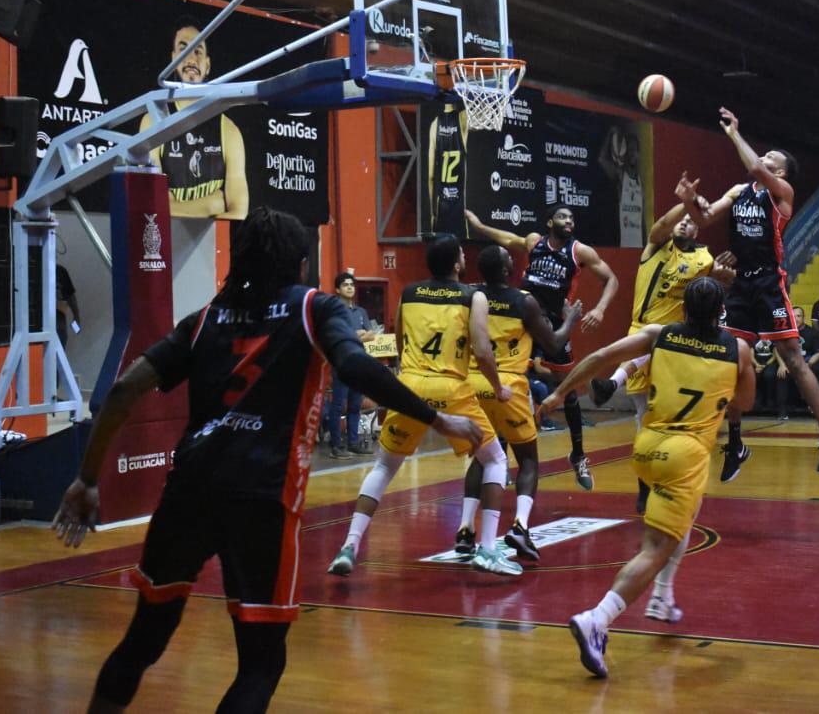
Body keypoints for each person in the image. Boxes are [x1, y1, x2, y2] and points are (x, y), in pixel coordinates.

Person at [50, 208, 483, 712]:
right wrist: (438, 420)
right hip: (262, 496)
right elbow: (356, 365)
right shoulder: (314, 309)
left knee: (144, 640)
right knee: (261, 664)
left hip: (188, 491)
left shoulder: (205, 318)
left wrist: (87, 479)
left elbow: (123, 390)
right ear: (300, 263)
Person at [548, 278, 755, 678]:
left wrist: (560, 396)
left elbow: (602, 357)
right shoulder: (738, 349)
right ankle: (597, 619)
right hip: (686, 455)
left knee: (672, 529)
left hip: (646, 447)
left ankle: (662, 596)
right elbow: (744, 403)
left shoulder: (659, 335)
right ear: (720, 312)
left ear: (683, 310)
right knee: (656, 548)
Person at [327, 234, 523, 578]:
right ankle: (489, 549)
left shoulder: (409, 293)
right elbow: (481, 349)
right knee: (494, 460)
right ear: (458, 264)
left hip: (412, 385)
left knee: (384, 468)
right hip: (453, 388)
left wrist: (411, 378)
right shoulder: (472, 296)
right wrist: (497, 387)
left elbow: (400, 339)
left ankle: (349, 545)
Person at [677, 107, 819, 475]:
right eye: (763, 155)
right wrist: (689, 199)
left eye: (771, 158)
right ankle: (735, 442)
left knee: (794, 359)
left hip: (769, 283)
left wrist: (735, 133)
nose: (763, 158)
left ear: (779, 172)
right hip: (740, 285)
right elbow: (705, 219)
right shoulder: (739, 192)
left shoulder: (782, 193)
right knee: (732, 360)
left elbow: (756, 168)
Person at [466, 203, 619, 490]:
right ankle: (500, 457)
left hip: (552, 323)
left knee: (568, 389)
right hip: (522, 319)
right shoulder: (534, 242)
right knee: (506, 383)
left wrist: (599, 309)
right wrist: (478, 226)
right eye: (562, 216)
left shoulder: (579, 251)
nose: (568, 220)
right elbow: (506, 238)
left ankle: (578, 454)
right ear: (550, 222)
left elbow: (611, 279)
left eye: (572, 217)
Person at [590, 198, 728, 500]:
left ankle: (613, 382)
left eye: (692, 221)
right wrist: (685, 202)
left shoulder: (704, 259)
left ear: (698, 230)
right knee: (643, 414)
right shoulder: (655, 246)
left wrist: (723, 279)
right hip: (640, 329)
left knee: (659, 411)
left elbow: (706, 298)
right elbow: (663, 223)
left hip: (675, 342)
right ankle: (645, 481)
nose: (684, 222)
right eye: (682, 218)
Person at [457, 245, 582, 561]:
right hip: (507, 385)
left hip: (473, 383)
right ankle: (520, 527)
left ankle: (465, 529)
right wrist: (571, 320)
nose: (514, 260)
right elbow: (553, 342)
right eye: (508, 258)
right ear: (505, 269)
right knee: (527, 460)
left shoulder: (472, 296)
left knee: (484, 457)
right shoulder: (523, 301)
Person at [144, 19, 248, 219]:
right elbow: (152, 205)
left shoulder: (229, 131)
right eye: (184, 50)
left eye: (198, 51)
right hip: (164, 244)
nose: (191, 58)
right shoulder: (153, 122)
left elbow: (238, 214)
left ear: (208, 65)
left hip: (211, 247)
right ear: (173, 60)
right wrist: (212, 205)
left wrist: (175, 208)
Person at [323, 272, 375, 457]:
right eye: (345, 285)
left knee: (355, 405)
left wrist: (353, 334)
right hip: (341, 364)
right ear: (337, 289)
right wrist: (357, 334)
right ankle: (336, 446)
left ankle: (353, 443)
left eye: (352, 284)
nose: (350, 287)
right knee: (338, 406)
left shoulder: (361, 312)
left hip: (359, 363)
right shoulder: (333, 311)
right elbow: (335, 335)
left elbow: (372, 335)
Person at [764, 308, 819, 420]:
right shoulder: (785, 332)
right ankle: (783, 411)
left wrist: (808, 364)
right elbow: (777, 349)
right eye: (793, 316)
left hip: (807, 363)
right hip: (789, 363)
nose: (796, 319)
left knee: (818, 370)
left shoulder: (812, 332)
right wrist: (782, 364)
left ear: (803, 317)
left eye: (799, 316)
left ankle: (813, 406)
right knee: (782, 373)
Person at [597, 125, 646, 249]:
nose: (632, 153)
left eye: (634, 150)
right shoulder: (620, 174)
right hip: (622, 241)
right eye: (629, 150)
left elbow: (642, 217)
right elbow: (602, 159)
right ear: (624, 152)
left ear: (639, 153)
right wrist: (610, 133)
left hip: (638, 244)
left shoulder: (641, 182)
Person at [425, 102, 469, 236]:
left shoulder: (434, 124)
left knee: (442, 251)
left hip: (442, 204)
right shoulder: (462, 119)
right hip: (459, 203)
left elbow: (431, 176)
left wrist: (433, 213)